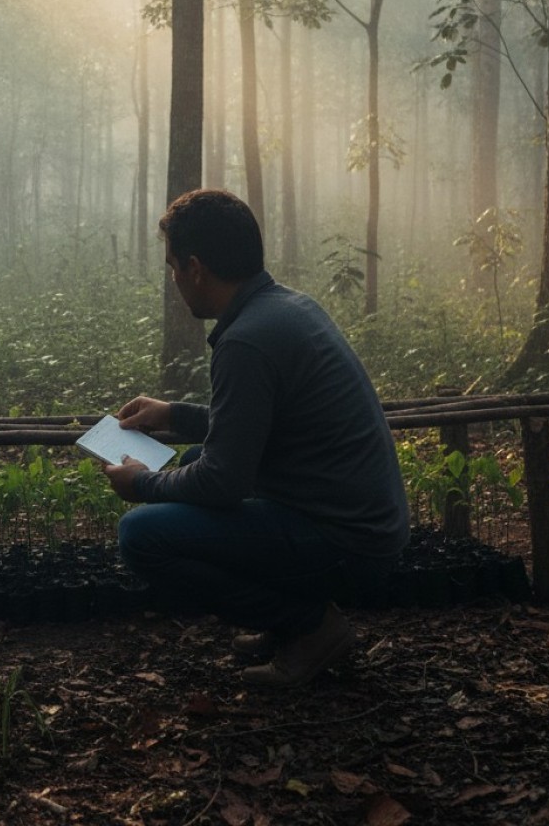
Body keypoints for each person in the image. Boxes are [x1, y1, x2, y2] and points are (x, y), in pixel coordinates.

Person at [104, 188, 409, 689]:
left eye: (173, 267)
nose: (175, 279)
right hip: (362, 525)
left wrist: (141, 485)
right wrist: (174, 415)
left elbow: (223, 482)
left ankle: (310, 626)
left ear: (196, 267)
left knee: (142, 536)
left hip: (347, 543)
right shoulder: (285, 307)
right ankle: (291, 619)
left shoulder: (246, 340)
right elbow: (256, 425)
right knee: (201, 454)